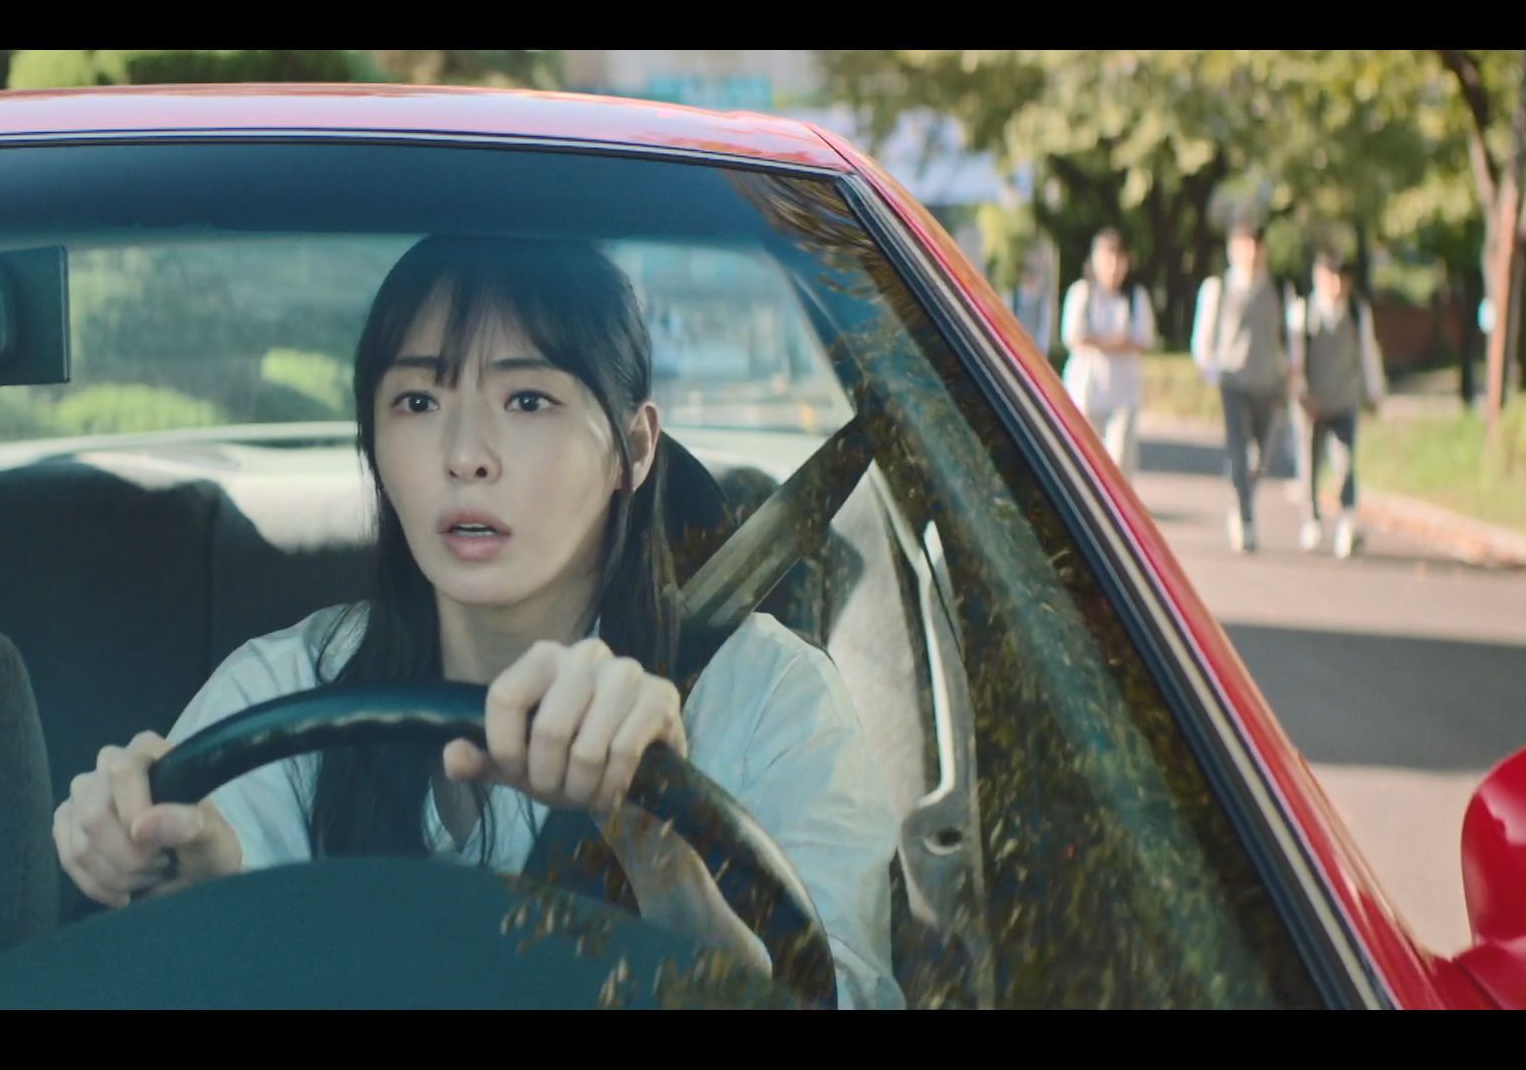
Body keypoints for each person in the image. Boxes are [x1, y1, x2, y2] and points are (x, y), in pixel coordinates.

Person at [49, 235, 904, 1009]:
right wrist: (193, 888)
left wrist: (659, 851)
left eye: (528, 400)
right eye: (418, 401)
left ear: (636, 449)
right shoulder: (276, 694)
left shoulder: (768, 700)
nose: (465, 455)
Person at [1192, 221, 1291, 553]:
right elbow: (1204, 340)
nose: (1250, 253)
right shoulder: (1218, 288)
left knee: (1260, 457)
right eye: (1243, 245)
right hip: (1233, 382)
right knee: (1238, 450)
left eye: (1255, 246)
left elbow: (1289, 338)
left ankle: (1242, 500)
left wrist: (1291, 373)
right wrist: (1213, 372)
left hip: (1269, 383)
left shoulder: (1280, 289)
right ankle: (1246, 520)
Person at [1289, 250, 1387, 558]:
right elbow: (1295, 358)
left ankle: (1347, 521)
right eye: (1329, 277)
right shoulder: (1303, 311)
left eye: (1341, 278)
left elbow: (1368, 353)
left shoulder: (1357, 313)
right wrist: (1300, 393)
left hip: (1344, 399)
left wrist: (1375, 391)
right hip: (1311, 402)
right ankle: (1312, 520)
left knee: (1345, 464)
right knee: (1310, 465)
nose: (1336, 285)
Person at [1060, 228, 1157, 477]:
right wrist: (1118, 342)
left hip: (1123, 393)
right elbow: (1074, 336)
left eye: (1117, 260)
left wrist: (1099, 341)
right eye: (1106, 259)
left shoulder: (1135, 296)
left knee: (1119, 463)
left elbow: (1143, 339)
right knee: (1085, 461)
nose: (1112, 268)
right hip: (1087, 391)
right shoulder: (1082, 292)